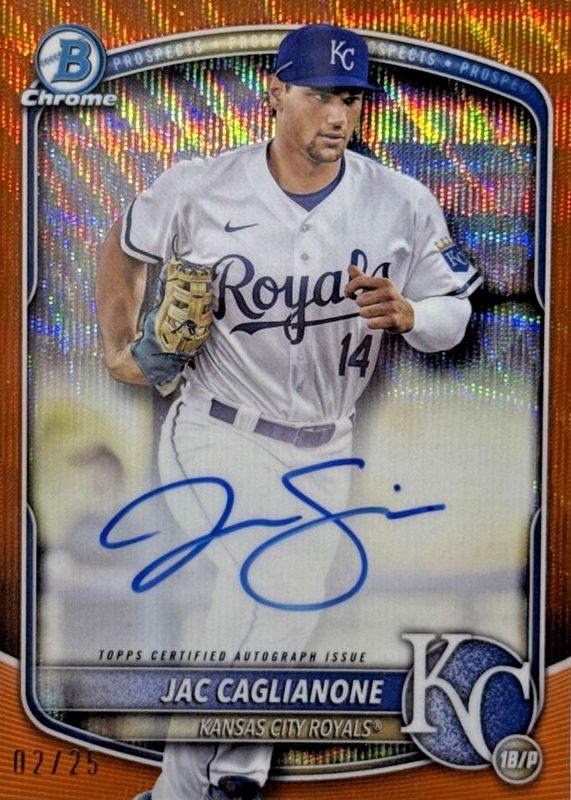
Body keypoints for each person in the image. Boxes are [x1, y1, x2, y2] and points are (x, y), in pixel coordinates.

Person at [96, 22, 482, 800]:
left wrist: (413, 314)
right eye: (320, 95)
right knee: (267, 578)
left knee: (282, 601)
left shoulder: (400, 202)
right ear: (274, 93)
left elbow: (454, 313)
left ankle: (208, 781)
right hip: (215, 426)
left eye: (351, 99)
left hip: (326, 443)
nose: (338, 116)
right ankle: (218, 777)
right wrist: (117, 345)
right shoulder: (200, 187)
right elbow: (125, 247)